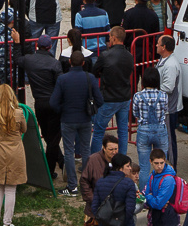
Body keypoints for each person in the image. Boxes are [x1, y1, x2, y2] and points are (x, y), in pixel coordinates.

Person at [54, 54, 104, 196]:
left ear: (70, 62)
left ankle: (72, 186)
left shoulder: (62, 79)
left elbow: (54, 102)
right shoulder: (90, 78)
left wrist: (62, 110)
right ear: (83, 63)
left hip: (68, 119)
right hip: (85, 119)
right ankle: (86, 183)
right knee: (85, 150)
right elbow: (99, 100)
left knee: (69, 152)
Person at [0, 83, 30, 226]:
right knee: (11, 188)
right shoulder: (19, 112)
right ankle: (7, 223)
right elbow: (24, 129)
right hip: (15, 151)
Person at [21, 34, 64, 176]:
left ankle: (60, 160)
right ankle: (49, 170)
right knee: (53, 138)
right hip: (53, 103)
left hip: (39, 102)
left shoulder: (29, 60)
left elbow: (17, 59)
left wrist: (16, 44)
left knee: (47, 135)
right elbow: (60, 84)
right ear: (50, 47)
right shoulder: (55, 63)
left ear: (37, 45)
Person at [93, 26, 135, 155]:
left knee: (98, 131)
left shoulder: (105, 55)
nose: (109, 39)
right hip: (124, 98)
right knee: (122, 131)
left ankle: (93, 162)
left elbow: (95, 71)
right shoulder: (129, 56)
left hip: (109, 98)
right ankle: (121, 161)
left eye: (110, 37)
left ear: (114, 38)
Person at [130, 66, 171, 187]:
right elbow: (165, 112)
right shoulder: (163, 96)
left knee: (143, 167)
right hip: (160, 131)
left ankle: (144, 195)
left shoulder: (138, 96)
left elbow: (135, 113)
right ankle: (161, 191)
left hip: (144, 131)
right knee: (161, 165)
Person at [92, 152, 141, 226]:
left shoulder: (100, 182)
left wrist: (102, 220)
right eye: (127, 166)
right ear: (120, 168)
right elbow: (130, 209)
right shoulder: (128, 183)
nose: (130, 168)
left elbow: (95, 206)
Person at [144, 148, 185, 226]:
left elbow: (158, 204)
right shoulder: (152, 175)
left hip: (168, 217)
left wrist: (150, 197)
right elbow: (147, 195)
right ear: (151, 162)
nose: (159, 166)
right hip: (157, 215)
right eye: (156, 163)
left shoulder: (168, 179)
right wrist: (151, 199)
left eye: (161, 163)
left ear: (165, 161)